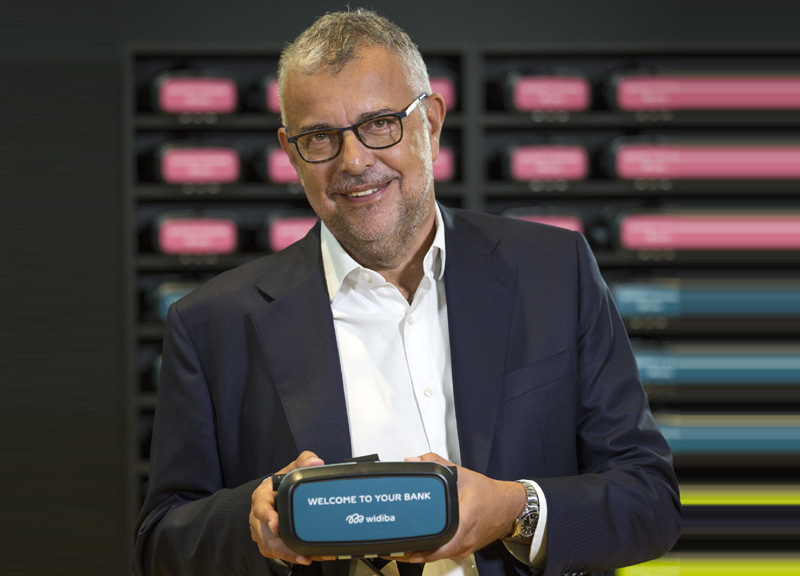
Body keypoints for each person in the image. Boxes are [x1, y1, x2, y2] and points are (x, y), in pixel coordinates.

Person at [134, 9, 680, 576]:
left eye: (379, 124)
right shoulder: (211, 324)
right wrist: (256, 524)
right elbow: (160, 543)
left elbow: (650, 500)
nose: (354, 161)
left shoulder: (555, 273)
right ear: (291, 152)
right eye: (320, 137)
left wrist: (512, 510)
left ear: (432, 124)